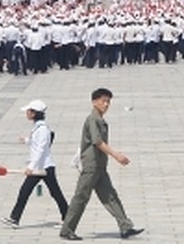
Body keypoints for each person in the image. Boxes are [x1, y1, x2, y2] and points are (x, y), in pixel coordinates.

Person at [60, 88, 142, 241]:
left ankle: (125, 226)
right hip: (91, 165)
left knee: (110, 196)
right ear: (94, 102)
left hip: (100, 165)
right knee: (81, 197)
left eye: (108, 102)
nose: (106, 104)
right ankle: (67, 230)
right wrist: (116, 154)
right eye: (103, 101)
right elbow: (97, 142)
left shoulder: (100, 119)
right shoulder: (93, 119)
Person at [0, 100, 68, 228]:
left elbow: (41, 149)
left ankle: (15, 218)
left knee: (49, 192)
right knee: (47, 192)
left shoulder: (42, 129)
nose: (27, 113)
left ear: (34, 113)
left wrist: (31, 167)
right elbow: (36, 144)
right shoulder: (38, 127)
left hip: (43, 167)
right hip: (40, 166)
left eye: (28, 111)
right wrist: (26, 141)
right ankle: (67, 217)